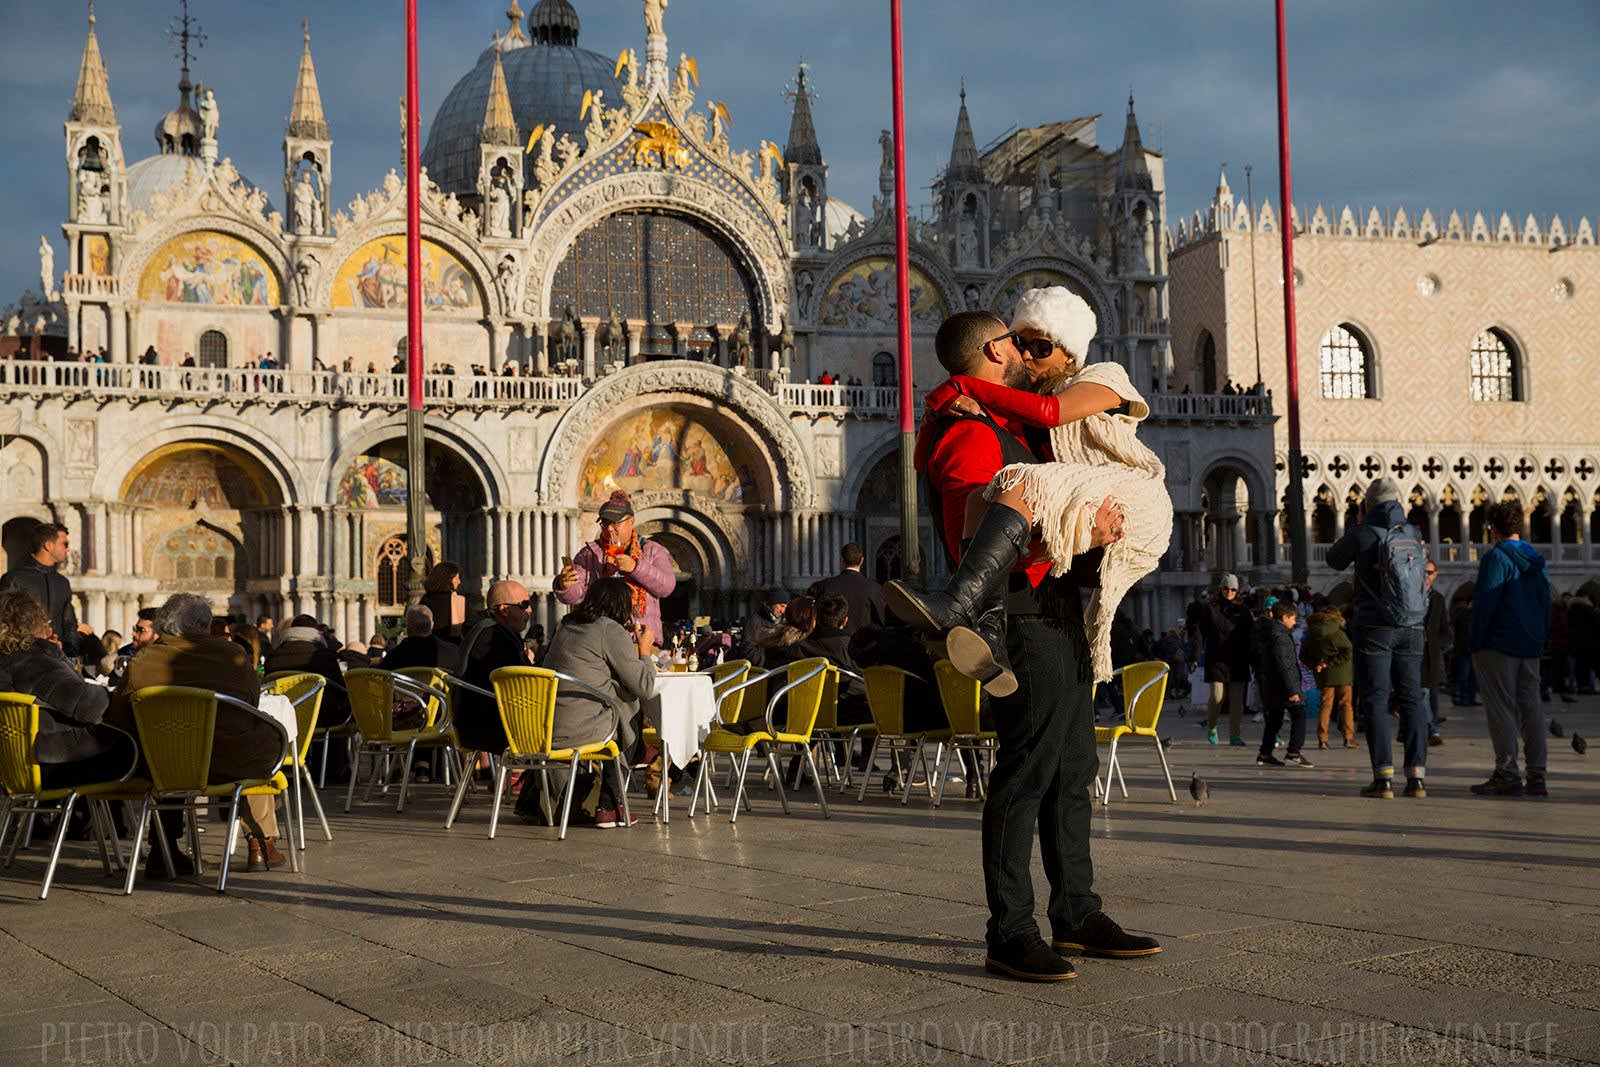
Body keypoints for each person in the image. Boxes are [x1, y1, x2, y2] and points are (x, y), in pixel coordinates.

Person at [893, 307, 1158, 983]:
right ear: (993, 348)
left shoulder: (1005, 424)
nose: (1027, 350)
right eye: (1018, 342)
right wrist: (1080, 536)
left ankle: (1076, 909)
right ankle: (1009, 928)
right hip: (1021, 613)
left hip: (1060, 607)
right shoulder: (968, 431)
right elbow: (970, 535)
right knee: (1027, 772)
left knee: (1072, 769)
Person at [887, 287, 1163, 693]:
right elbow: (920, 464)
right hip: (1080, 504)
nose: (1029, 354)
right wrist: (937, 412)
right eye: (1020, 342)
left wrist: (954, 388)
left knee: (1017, 481)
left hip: (1131, 492)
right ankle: (989, 629)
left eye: (1041, 345)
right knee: (993, 495)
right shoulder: (1020, 403)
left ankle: (957, 604)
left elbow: (1050, 415)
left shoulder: (1103, 378)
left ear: (1069, 351)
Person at [111, 594, 286, 875]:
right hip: (226, 765)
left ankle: (163, 848)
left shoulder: (141, 662)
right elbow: (250, 703)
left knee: (170, 752)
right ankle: (261, 842)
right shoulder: (233, 656)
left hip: (160, 767)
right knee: (256, 738)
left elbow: (119, 716)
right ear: (204, 626)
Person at [524, 578, 658, 828]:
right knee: (630, 710)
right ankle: (608, 804)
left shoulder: (567, 625)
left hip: (546, 726)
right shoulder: (609, 629)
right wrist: (645, 651)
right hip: (583, 728)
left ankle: (634, 759)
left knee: (620, 702)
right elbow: (645, 686)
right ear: (621, 605)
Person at [1326, 477, 1430, 799]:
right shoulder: (1412, 533)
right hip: (1413, 625)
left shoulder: (1362, 534)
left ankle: (1383, 779)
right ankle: (1417, 779)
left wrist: (1358, 527)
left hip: (1375, 627)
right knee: (1412, 699)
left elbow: (1333, 560)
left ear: (1368, 505)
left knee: (1375, 699)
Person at [0, 588, 135, 791]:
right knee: (136, 749)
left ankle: (94, 822)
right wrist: (122, 699)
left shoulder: (8, 658)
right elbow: (89, 706)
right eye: (46, 624)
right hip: (52, 761)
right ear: (34, 624)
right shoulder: (32, 659)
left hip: (16, 763)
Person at [1467, 502, 1550, 797]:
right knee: (1532, 708)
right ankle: (1537, 776)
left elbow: (1486, 604)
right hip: (1530, 645)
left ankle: (1507, 773)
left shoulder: (1497, 557)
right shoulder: (1536, 559)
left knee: (1501, 708)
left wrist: (1475, 641)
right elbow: (1545, 604)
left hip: (1499, 644)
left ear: (1493, 528)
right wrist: (1539, 638)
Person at [554, 491, 676, 646]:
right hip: (602, 640)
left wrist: (635, 568)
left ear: (631, 521)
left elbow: (667, 587)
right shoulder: (590, 554)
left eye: (616, 523)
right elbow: (575, 596)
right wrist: (565, 584)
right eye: (605, 523)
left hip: (642, 640)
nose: (610, 529)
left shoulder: (651, 550)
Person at [458, 581, 534, 759]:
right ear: (504, 610)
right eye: (524, 605)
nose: (529, 611)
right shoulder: (494, 638)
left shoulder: (488, 631)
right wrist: (528, 662)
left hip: (477, 720)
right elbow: (521, 683)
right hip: (488, 725)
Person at [0, 521, 92, 657]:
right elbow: (4, 621)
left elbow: (69, 623)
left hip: (56, 660)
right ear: (48, 545)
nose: (68, 549)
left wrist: (69, 654)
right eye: (64, 544)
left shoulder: (62, 583)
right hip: (22, 659)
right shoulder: (14, 578)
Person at [1188, 575, 1253, 746]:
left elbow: (1250, 636)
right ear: (1221, 589)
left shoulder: (1243, 611)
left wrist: (1255, 658)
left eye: (1233, 589)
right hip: (1217, 659)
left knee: (1237, 699)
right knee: (1217, 696)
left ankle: (1235, 735)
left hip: (1238, 659)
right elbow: (1199, 634)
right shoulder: (1209, 609)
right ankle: (1212, 726)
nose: (1229, 592)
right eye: (1226, 588)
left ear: (1237, 591)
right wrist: (1194, 657)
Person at [264, 615, 352, 733]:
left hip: (283, 721)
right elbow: (340, 690)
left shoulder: (273, 657)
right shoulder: (324, 656)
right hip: (320, 719)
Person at [1253, 599, 1313, 767]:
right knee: (1299, 713)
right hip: (1283, 686)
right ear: (1285, 617)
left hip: (1272, 684)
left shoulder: (1270, 632)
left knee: (1275, 719)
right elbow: (1284, 664)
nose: (1294, 622)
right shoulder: (1280, 636)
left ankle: (1265, 753)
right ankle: (1294, 751)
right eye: (1293, 618)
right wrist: (1293, 690)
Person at [1300, 603, 1354, 749]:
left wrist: (1317, 664)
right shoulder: (1338, 631)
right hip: (1343, 672)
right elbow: (1348, 651)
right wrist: (1331, 662)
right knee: (1346, 705)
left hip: (1323, 674)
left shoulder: (1312, 633)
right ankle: (1348, 738)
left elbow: (1303, 655)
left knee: (1325, 705)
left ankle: (1322, 739)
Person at [807, 543, 887, 636]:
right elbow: (882, 620)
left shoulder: (825, 586)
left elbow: (814, 617)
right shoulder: (874, 588)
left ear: (842, 560)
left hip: (832, 646)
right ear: (862, 560)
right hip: (864, 646)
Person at [1420, 559, 1450, 745]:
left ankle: (1422, 728)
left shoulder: (1438, 599)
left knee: (1431, 694)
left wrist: (1441, 645)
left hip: (1432, 653)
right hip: (1416, 652)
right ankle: (1432, 730)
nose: (1426, 576)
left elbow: (1445, 628)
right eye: (1423, 572)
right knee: (1422, 692)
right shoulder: (1411, 594)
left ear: (1435, 575)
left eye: (1429, 572)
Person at [381, 604, 457, 671]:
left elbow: (380, 675)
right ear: (432, 625)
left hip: (406, 687)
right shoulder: (451, 652)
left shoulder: (396, 655)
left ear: (408, 628)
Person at [420, 562, 468, 643]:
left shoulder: (425, 600)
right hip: (452, 649)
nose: (459, 582)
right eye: (456, 578)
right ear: (448, 579)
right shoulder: (458, 601)